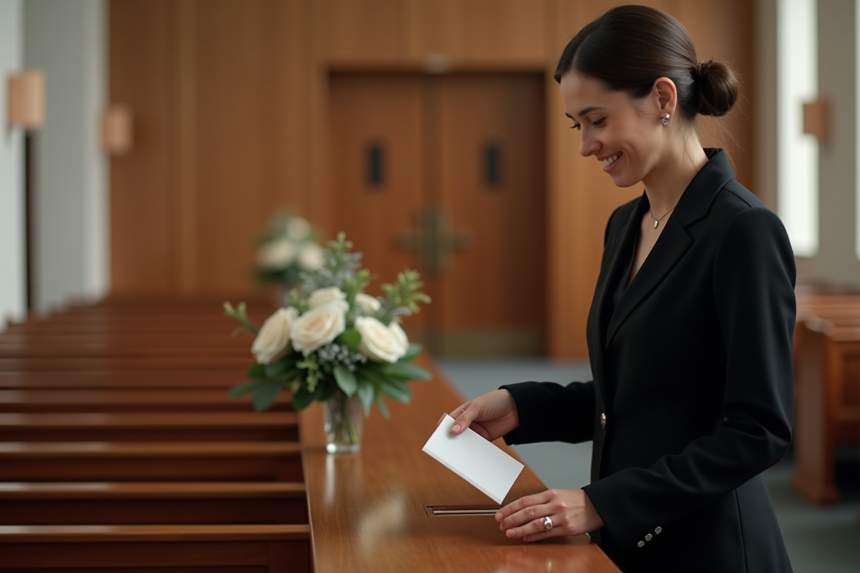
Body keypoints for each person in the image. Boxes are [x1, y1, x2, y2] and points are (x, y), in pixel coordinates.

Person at [445, 5, 796, 572]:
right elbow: (635, 394)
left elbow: (759, 431)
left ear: (663, 99)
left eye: (597, 120)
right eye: (576, 125)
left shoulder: (743, 229)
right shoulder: (624, 225)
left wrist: (600, 503)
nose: (585, 145)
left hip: (711, 546)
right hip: (628, 540)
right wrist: (520, 406)